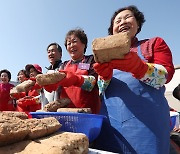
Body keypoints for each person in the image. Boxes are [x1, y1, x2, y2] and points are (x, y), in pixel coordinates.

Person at [93, 5, 175, 153]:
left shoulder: (153, 44)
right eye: (117, 21)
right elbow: (101, 89)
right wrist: (104, 77)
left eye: (128, 17)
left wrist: (140, 68)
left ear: (138, 24)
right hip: (111, 125)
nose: (122, 22)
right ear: (112, 30)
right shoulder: (104, 56)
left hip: (148, 125)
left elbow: (165, 76)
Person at [43, 28, 101, 114]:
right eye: (68, 43)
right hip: (66, 113)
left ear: (84, 44)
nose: (71, 45)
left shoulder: (91, 60)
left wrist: (76, 79)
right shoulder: (64, 65)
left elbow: (94, 83)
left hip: (88, 112)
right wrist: (51, 85)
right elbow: (58, 91)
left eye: (74, 41)